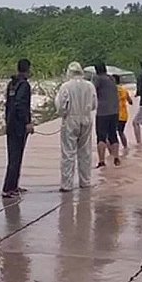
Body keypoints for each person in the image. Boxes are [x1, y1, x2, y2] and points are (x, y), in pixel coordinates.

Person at [55, 62, 97, 192]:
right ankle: (85, 181)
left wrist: (63, 114)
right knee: (85, 152)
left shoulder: (65, 86)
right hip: (86, 118)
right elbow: (95, 104)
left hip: (71, 119)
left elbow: (61, 106)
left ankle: (67, 184)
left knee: (68, 153)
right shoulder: (90, 86)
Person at [2, 59, 34, 199]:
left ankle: (14, 186)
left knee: (14, 156)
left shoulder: (12, 84)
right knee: (15, 157)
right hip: (19, 126)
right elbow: (20, 105)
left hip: (10, 124)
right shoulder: (24, 85)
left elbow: (8, 105)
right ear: (27, 70)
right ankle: (8, 189)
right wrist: (27, 122)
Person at [92, 62, 121, 167]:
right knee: (113, 135)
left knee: (101, 137)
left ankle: (101, 161)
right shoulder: (111, 78)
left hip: (102, 112)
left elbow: (92, 92)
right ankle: (116, 157)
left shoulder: (97, 79)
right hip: (115, 111)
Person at [113, 74, 133, 148]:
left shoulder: (112, 90)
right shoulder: (124, 90)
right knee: (121, 132)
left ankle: (114, 151)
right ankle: (125, 147)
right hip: (124, 115)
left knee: (111, 134)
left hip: (115, 114)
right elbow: (130, 102)